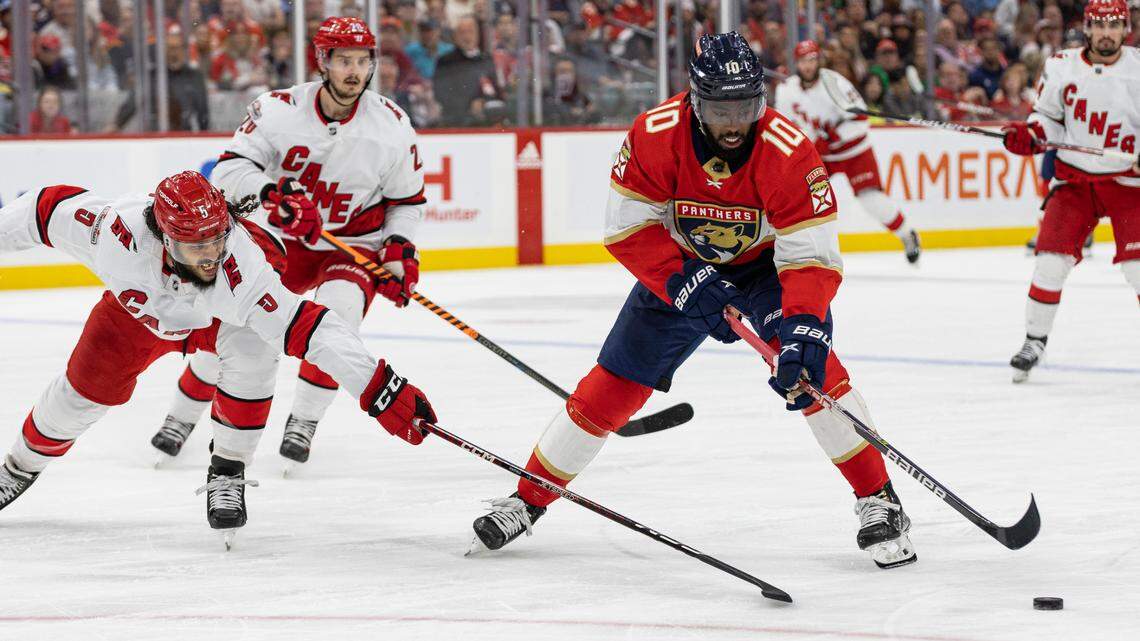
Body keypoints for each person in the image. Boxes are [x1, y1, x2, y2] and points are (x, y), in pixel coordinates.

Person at [468, 32, 918, 570]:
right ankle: (529, 498)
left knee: (811, 376)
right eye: (720, 108)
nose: (734, 123)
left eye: (746, 106)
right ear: (695, 100)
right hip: (679, 265)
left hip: (767, 271)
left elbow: (810, 257)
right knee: (609, 388)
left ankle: (878, 499)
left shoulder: (789, 152)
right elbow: (627, 228)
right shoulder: (656, 135)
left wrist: (802, 326)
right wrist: (684, 280)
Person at [0, 171, 437, 542]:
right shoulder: (110, 231)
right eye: (197, 245)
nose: (211, 253)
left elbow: (310, 327)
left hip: (217, 319)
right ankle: (20, 466)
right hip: (135, 317)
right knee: (77, 399)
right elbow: (41, 208)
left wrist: (376, 386)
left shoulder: (239, 269)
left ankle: (228, 470)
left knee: (256, 350)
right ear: (165, 238)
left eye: (217, 237)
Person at [148, 17, 428, 471]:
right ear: (322, 61)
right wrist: (271, 194)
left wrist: (398, 247)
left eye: (363, 61)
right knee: (235, 327)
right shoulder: (277, 109)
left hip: (350, 245)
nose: (354, 72)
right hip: (279, 239)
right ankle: (182, 416)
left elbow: (407, 200)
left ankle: (305, 420)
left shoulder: (392, 124)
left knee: (340, 320)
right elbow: (229, 169)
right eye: (344, 61)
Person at [1001, 0, 1140, 383]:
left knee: (1138, 267)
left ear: (1125, 28)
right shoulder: (1061, 64)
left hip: (1128, 181)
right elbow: (1046, 118)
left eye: (1114, 25)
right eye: (1100, 25)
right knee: (1050, 261)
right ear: (1088, 28)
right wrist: (1031, 136)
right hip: (1075, 181)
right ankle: (1034, 340)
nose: (1107, 33)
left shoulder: (1138, 68)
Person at [776, 40, 921, 263]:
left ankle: (907, 234)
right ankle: (797, 249)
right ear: (797, 63)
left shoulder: (835, 83)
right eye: (804, 61)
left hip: (855, 151)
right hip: (820, 155)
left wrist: (832, 137)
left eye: (812, 59)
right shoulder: (787, 90)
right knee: (801, 196)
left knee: (871, 199)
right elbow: (787, 126)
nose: (808, 66)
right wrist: (812, 141)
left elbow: (861, 121)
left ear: (819, 60)